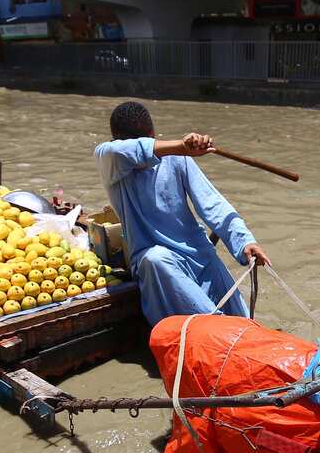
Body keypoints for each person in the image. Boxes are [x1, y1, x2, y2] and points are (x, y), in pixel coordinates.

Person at [94, 101, 271, 326]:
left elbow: (212, 203)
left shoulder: (176, 157)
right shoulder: (108, 158)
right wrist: (181, 145)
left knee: (244, 322)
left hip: (198, 254)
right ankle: (211, 329)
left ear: (153, 133)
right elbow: (130, 150)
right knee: (155, 259)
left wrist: (244, 241)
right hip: (157, 262)